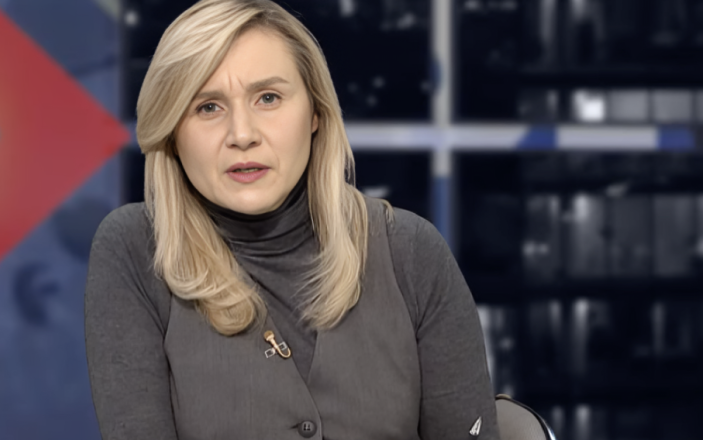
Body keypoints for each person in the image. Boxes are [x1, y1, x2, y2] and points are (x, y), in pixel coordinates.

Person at [84, 0, 500, 439]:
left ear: (315, 112)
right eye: (208, 107)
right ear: (171, 131)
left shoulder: (410, 251)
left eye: (268, 98)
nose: (242, 135)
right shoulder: (135, 252)